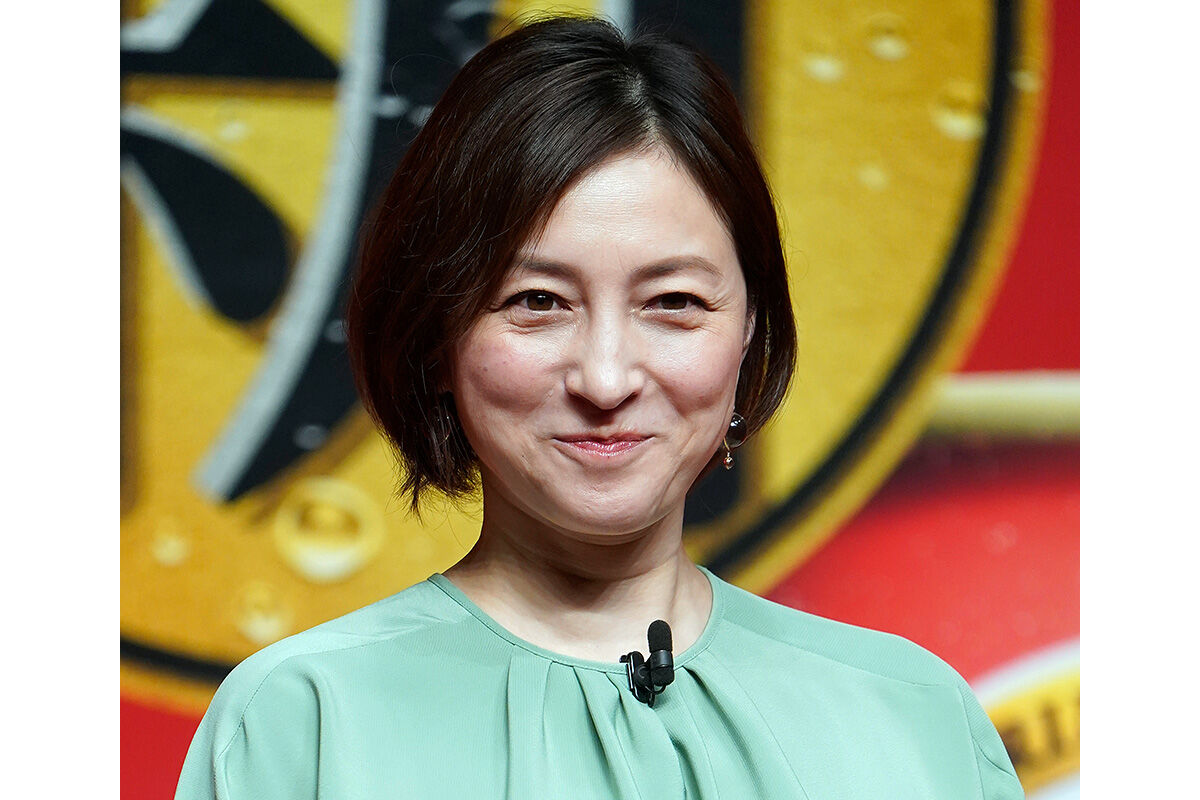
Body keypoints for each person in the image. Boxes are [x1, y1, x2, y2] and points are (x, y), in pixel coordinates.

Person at [175, 16, 1023, 799]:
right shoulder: (304, 724)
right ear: (437, 338)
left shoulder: (914, 718)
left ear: (748, 334)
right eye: (538, 302)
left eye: (674, 302)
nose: (606, 378)